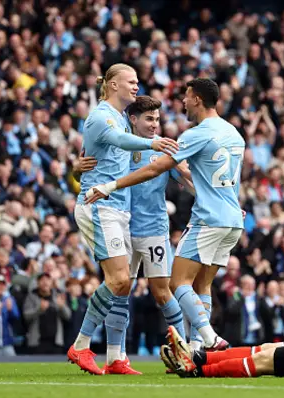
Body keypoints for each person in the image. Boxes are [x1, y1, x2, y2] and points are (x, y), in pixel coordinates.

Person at [85, 78, 245, 351]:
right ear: (132, 120)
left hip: (168, 226)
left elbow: (171, 171)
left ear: (196, 98)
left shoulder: (181, 139)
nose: (182, 101)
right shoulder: (235, 134)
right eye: (149, 119)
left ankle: (204, 338)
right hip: (128, 225)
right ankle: (185, 349)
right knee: (196, 284)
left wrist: (110, 186)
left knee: (175, 284)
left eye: (186, 96)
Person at [67, 63, 179, 375]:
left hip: (117, 210)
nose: (136, 85)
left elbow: (98, 157)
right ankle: (80, 345)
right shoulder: (103, 115)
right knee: (118, 280)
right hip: (100, 206)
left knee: (122, 285)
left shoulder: (117, 117)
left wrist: (75, 169)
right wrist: (151, 143)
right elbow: (118, 141)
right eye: (131, 81)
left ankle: (116, 357)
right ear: (113, 84)